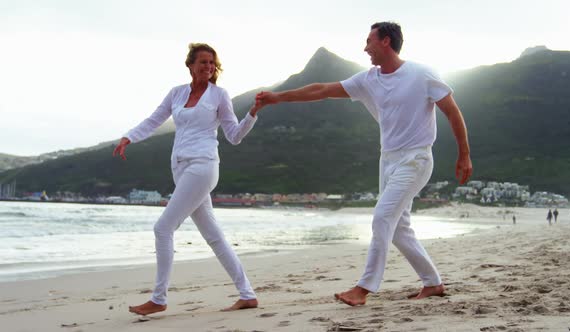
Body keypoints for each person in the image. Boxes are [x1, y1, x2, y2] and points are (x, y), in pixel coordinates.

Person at [256, 21, 472, 306]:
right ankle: (433, 283)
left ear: (385, 41)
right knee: (398, 228)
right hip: (388, 161)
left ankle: (364, 288)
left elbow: (452, 112)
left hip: (416, 158)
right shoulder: (369, 79)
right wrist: (278, 97)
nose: (365, 47)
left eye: (369, 40)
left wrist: (464, 154)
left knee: (382, 217)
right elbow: (322, 89)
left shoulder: (421, 74)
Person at [113, 43, 261, 315]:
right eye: (203, 62)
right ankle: (247, 294)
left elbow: (234, 135)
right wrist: (129, 136)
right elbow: (154, 120)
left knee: (163, 228)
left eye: (212, 63)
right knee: (214, 236)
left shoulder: (219, 95)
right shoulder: (177, 93)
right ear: (190, 65)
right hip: (180, 168)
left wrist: (252, 113)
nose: (208, 66)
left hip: (203, 166)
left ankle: (159, 298)